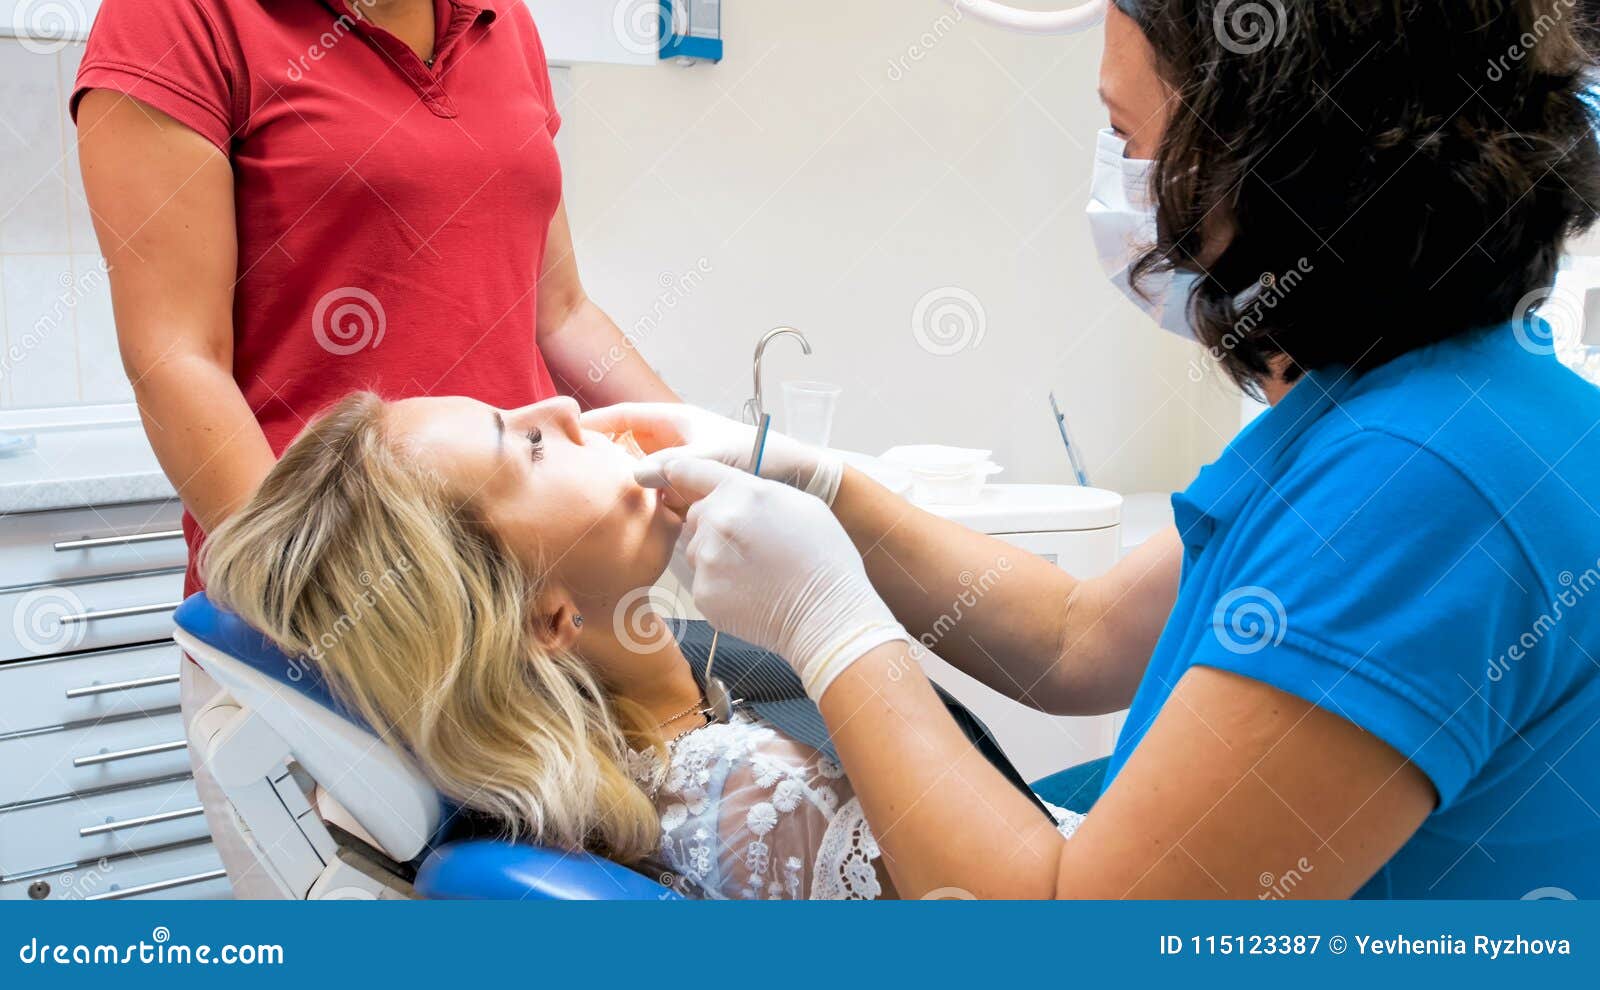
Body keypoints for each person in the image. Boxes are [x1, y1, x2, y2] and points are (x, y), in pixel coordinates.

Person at [585, 0, 1600, 899]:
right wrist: (808, 480)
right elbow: (1076, 636)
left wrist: (827, 623)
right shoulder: (1420, 394)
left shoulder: (1421, 482)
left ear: (1279, 155)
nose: (1123, 185)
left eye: (1127, 135)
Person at [71, 0, 677, 894]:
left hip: (525, 608)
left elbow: (562, 314)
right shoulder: (179, 18)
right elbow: (175, 359)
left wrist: (721, 460)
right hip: (358, 633)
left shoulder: (497, 20)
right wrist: (352, 630)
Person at [199, 392, 1082, 899]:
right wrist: (832, 623)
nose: (565, 404)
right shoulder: (759, 796)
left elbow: (1082, 635)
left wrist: (821, 481)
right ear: (549, 622)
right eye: (533, 447)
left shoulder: (675, 723)